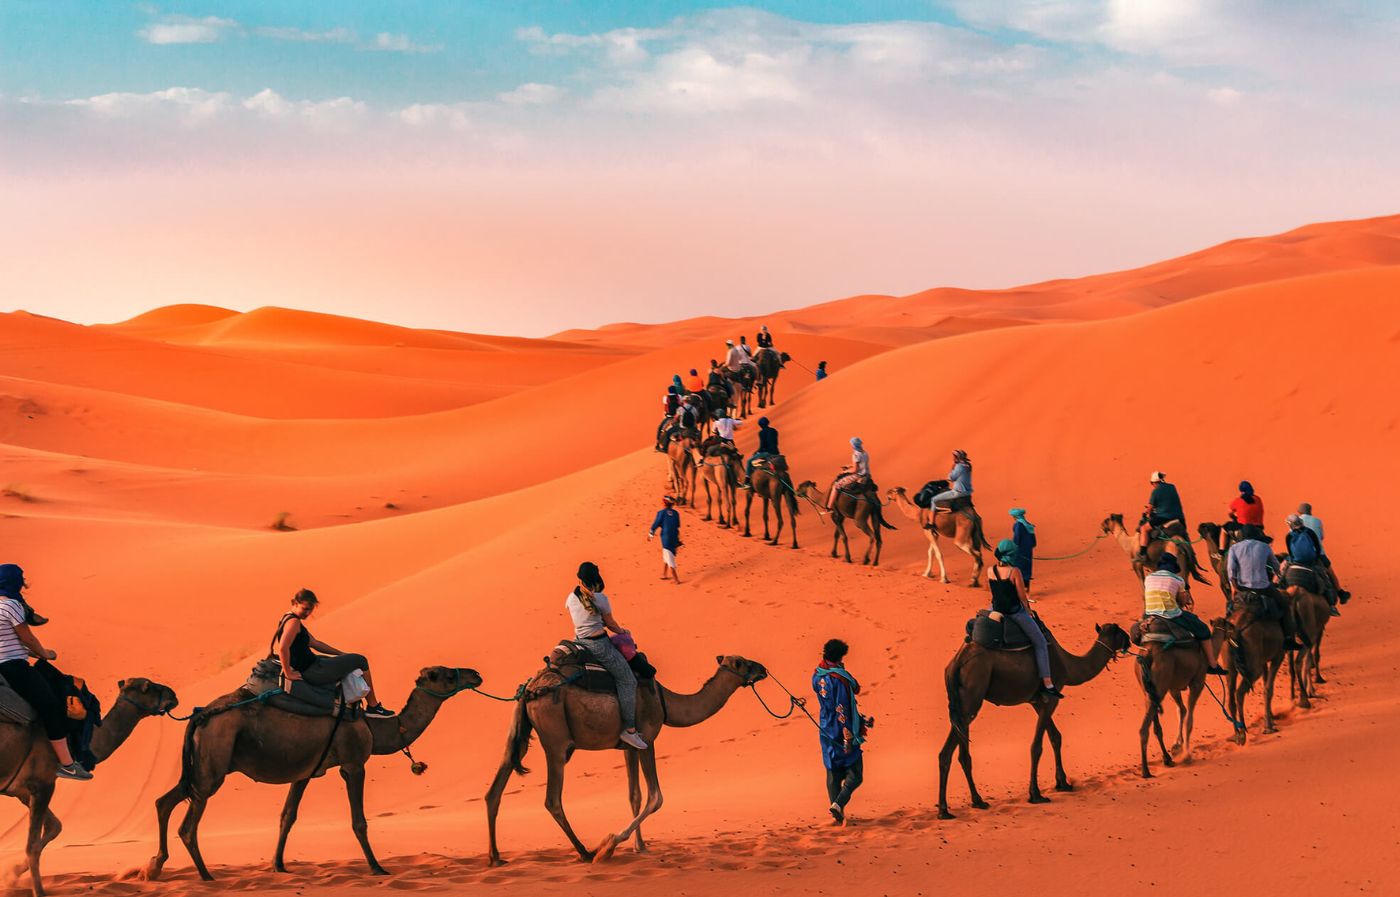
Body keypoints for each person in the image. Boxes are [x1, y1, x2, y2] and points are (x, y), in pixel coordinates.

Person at [0, 581, 91, 779]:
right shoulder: (10, 605)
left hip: (5, 666)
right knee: (52, 707)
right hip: (14, 668)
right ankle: (67, 765)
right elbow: (28, 638)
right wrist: (44, 654)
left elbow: (6, 642)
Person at [565, 563, 648, 750]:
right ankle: (630, 730)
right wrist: (623, 631)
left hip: (578, 642)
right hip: (599, 646)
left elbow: (578, 617)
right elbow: (610, 624)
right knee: (628, 681)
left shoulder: (570, 598)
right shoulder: (601, 599)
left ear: (579, 579)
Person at [274, 589, 394, 717]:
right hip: (313, 670)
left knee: (347, 660)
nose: (308, 613)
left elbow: (315, 643)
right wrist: (288, 673)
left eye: (310, 609)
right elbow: (282, 648)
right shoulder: (294, 623)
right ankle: (373, 706)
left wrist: (340, 654)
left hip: (313, 664)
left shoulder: (287, 618)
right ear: (295, 603)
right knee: (360, 660)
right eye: (305, 609)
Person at [987, 540, 1059, 698]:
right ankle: (1047, 683)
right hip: (1013, 612)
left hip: (995, 609)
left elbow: (993, 592)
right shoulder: (1014, 572)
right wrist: (1028, 609)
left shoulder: (990, 570)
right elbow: (1021, 596)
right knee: (1040, 642)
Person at [813, 638, 869, 825]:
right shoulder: (840, 679)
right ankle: (838, 804)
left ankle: (837, 815)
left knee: (832, 769)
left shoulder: (817, 675)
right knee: (856, 774)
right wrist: (847, 734)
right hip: (841, 729)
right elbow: (842, 707)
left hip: (825, 727)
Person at [1143, 554, 1227, 673]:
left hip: (1149, 614)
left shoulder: (1149, 577)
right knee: (1202, 629)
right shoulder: (1178, 579)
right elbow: (1182, 602)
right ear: (1173, 567)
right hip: (1170, 614)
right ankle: (1212, 664)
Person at [1226, 525, 1301, 648]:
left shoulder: (1234, 548)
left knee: (1229, 609)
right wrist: (1277, 577)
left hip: (1242, 588)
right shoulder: (1264, 547)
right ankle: (1288, 638)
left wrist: (1234, 588)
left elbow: (1231, 571)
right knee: (1285, 605)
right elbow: (1277, 567)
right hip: (1264, 588)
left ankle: (1226, 635)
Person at [1285, 514, 1338, 615]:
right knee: (1326, 582)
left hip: (1296, 561)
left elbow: (1290, 552)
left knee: (1282, 575)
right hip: (1312, 561)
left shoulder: (1289, 536)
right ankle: (1331, 606)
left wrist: (1291, 561)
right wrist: (1316, 558)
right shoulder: (1310, 532)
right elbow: (1317, 547)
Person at [1138, 471, 1185, 561]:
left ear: (1154, 482)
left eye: (1152, 483)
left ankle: (1142, 554)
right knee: (1184, 534)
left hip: (1164, 517)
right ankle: (1191, 552)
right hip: (1179, 517)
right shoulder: (1172, 487)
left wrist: (1147, 511)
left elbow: (1150, 508)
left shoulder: (1155, 492)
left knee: (1144, 528)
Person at [824, 437, 870, 512]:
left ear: (853, 445)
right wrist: (849, 466)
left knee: (836, 486)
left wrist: (844, 471)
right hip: (866, 474)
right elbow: (862, 464)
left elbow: (855, 470)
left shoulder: (855, 455)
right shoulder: (865, 453)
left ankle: (829, 507)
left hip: (858, 475)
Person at [1221, 480, 1265, 550]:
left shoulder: (1238, 500)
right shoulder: (1258, 499)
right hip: (1259, 527)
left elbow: (1229, 512)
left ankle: (1221, 551)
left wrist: (1233, 515)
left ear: (1241, 491)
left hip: (1243, 527)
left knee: (1224, 528)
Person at [0, 563, 46, 628]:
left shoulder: (15, 599)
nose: (23, 579)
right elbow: (28, 637)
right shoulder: (11, 604)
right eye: (20, 577)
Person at [648, 497, 682, 585]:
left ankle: (676, 579)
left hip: (666, 538)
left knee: (669, 557)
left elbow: (656, 524)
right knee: (667, 555)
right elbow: (678, 526)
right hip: (675, 537)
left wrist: (651, 534)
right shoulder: (676, 513)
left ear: (665, 504)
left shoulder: (661, 513)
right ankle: (664, 574)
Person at [743, 416, 780, 487]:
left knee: (749, 461)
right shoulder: (774, 431)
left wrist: (757, 451)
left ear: (760, 425)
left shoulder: (761, 433)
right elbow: (775, 443)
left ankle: (747, 481)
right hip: (776, 452)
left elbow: (762, 445)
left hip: (767, 453)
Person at [1008, 508, 1037, 593]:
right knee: (1026, 571)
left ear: (1015, 516)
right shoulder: (1028, 524)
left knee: (1017, 570)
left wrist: (1013, 549)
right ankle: (1027, 591)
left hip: (1020, 552)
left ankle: (1017, 591)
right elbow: (1034, 542)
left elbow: (1016, 539)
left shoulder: (1018, 525)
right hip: (1028, 552)